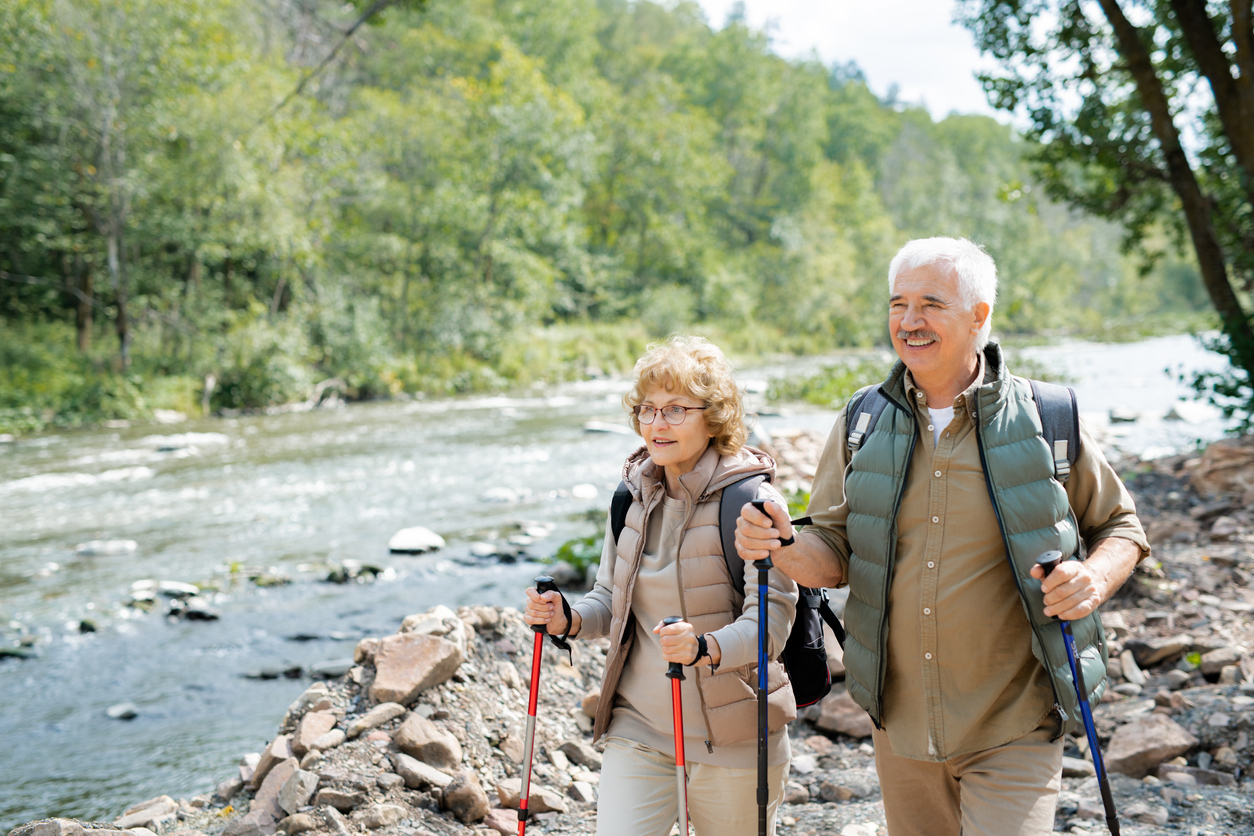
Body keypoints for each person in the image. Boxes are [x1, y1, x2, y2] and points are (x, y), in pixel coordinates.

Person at [736, 237, 1149, 836]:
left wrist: (1094, 578)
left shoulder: (1046, 417)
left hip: (1016, 720)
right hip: (899, 729)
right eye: (897, 303)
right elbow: (832, 553)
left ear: (980, 316)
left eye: (931, 303)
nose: (909, 321)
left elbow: (1122, 526)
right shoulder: (861, 421)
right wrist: (781, 545)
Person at [524, 335, 798, 836]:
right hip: (641, 728)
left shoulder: (752, 502)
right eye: (647, 409)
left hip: (735, 740)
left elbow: (771, 625)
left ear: (712, 416)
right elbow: (611, 598)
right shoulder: (632, 497)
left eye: (675, 409)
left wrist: (704, 647)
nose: (656, 423)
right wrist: (569, 618)